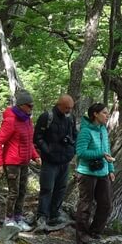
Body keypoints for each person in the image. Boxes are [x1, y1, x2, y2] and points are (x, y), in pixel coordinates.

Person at [0, 89, 41, 229]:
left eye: (32, 105)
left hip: (24, 162)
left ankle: (18, 218)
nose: (31, 108)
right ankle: (8, 219)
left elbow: (28, 142)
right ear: (21, 105)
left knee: (22, 191)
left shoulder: (27, 121)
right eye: (29, 106)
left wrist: (35, 156)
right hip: (12, 162)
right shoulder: (11, 120)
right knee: (13, 192)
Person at [74, 102, 115, 244]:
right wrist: (100, 154)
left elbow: (107, 150)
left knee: (106, 205)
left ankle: (95, 232)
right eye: (104, 113)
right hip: (87, 173)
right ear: (95, 114)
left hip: (103, 173)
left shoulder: (103, 129)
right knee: (86, 205)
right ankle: (82, 237)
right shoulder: (85, 131)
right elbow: (80, 152)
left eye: (107, 113)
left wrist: (110, 169)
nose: (107, 115)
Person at [34, 94, 77, 227]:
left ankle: (54, 214)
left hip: (65, 160)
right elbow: (37, 137)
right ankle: (42, 216)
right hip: (50, 161)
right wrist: (47, 150)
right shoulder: (47, 117)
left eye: (71, 108)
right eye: (66, 107)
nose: (69, 110)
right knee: (47, 188)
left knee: (61, 189)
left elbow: (75, 135)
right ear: (59, 105)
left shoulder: (71, 118)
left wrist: (72, 148)